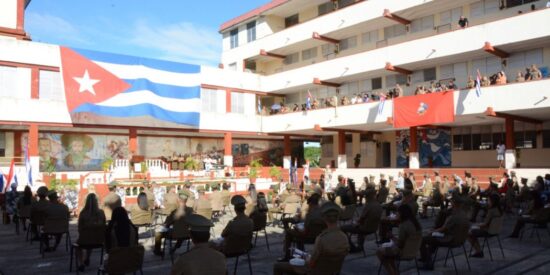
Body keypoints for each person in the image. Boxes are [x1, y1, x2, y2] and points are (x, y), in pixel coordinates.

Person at [273, 202, 349, 275]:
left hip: (314, 272)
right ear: (338, 217)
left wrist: (306, 258)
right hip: (333, 271)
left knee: (277, 266)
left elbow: (311, 263)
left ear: (324, 218)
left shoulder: (321, 239)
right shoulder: (344, 237)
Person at [419, 196, 470, 270]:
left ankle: (427, 262)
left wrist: (432, 231)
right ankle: (427, 257)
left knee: (423, 239)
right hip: (461, 239)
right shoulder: (464, 214)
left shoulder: (454, 216)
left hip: (451, 239)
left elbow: (443, 229)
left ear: (453, 204)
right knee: (433, 239)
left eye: (451, 202)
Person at [377, 204, 422, 275]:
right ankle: (395, 271)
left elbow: (400, 244)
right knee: (388, 253)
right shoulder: (416, 223)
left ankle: (392, 273)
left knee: (379, 252)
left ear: (401, 213)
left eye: (397, 212)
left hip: (404, 252)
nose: (396, 214)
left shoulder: (403, 225)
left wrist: (391, 237)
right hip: (414, 251)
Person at [341, 188, 382, 253]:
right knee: (358, 226)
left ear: (368, 197)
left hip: (364, 229)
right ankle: (360, 246)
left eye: (365, 196)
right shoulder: (378, 205)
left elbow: (361, 219)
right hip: (374, 228)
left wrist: (356, 223)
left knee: (342, 228)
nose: (365, 198)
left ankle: (352, 248)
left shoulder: (369, 205)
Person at [75, 194, 106, 272]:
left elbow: (79, 229)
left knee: (79, 246)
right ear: (96, 202)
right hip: (99, 240)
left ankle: (81, 263)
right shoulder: (101, 213)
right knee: (91, 238)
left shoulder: (83, 213)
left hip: (85, 240)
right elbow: (104, 226)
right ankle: (87, 258)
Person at [468, 193, 502, 258]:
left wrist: (477, 225)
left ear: (492, 201)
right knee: (473, 230)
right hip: (496, 230)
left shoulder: (491, 211)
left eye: (488, 200)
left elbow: (485, 224)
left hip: (488, 231)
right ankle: (478, 251)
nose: (487, 202)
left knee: (469, 233)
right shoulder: (500, 210)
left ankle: (478, 251)